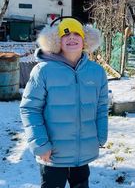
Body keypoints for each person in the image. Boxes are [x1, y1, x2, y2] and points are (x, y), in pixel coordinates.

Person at [20, 17, 108, 188]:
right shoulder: (43, 71)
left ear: (85, 40)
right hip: (53, 155)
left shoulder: (97, 72)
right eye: (65, 34)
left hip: (83, 153)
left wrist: (100, 136)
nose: (72, 37)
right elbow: (30, 109)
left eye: (77, 33)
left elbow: (102, 107)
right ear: (56, 41)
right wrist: (40, 144)